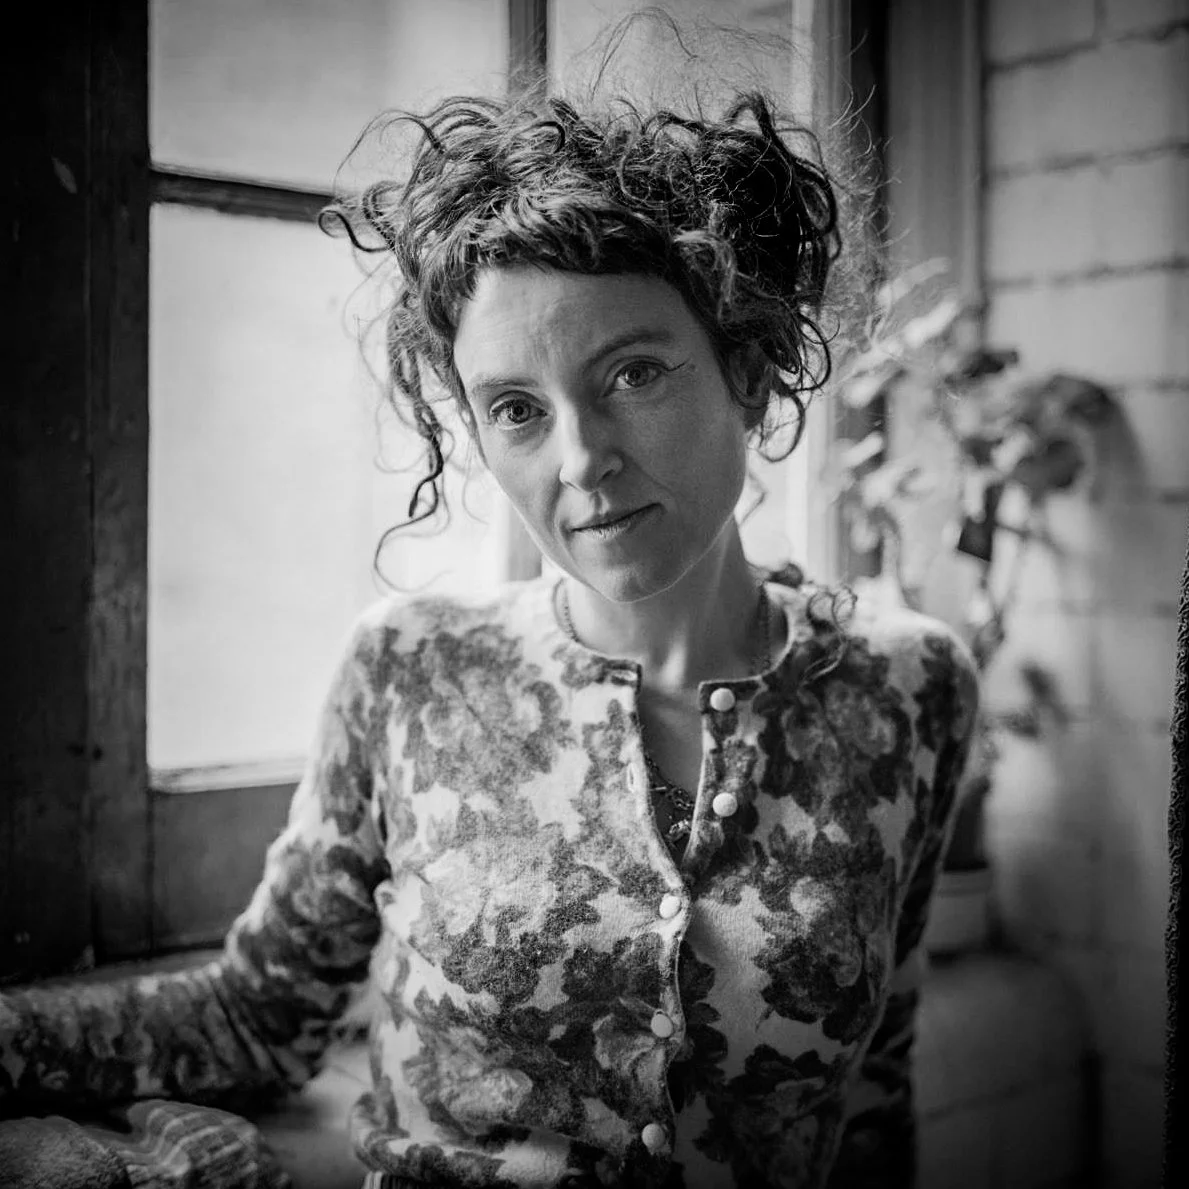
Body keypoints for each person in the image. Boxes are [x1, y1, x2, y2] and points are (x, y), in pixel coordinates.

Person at [0, 61, 979, 1189]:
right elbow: (255, 1017)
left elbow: (872, 1099)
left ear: (748, 373)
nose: (581, 460)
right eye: (517, 409)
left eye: (633, 373)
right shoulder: (413, 667)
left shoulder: (909, 688)